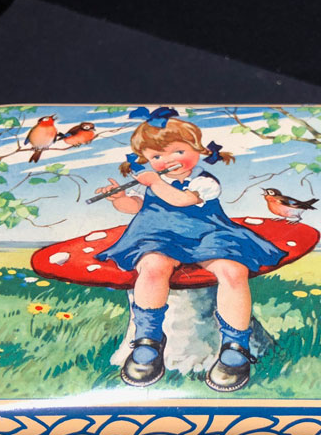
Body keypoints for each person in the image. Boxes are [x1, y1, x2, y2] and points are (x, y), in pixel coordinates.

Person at [95, 107, 286, 391]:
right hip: (159, 236)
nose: (167, 161)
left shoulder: (204, 181)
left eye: (178, 151)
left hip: (206, 234)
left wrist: (155, 181)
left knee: (233, 270)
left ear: (197, 150)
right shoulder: (154, 183)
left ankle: (235, 344)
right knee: (152, 267)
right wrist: (120, 198)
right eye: (156, 157)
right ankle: (148, 340)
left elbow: (182, 200)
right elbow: (136, 207)